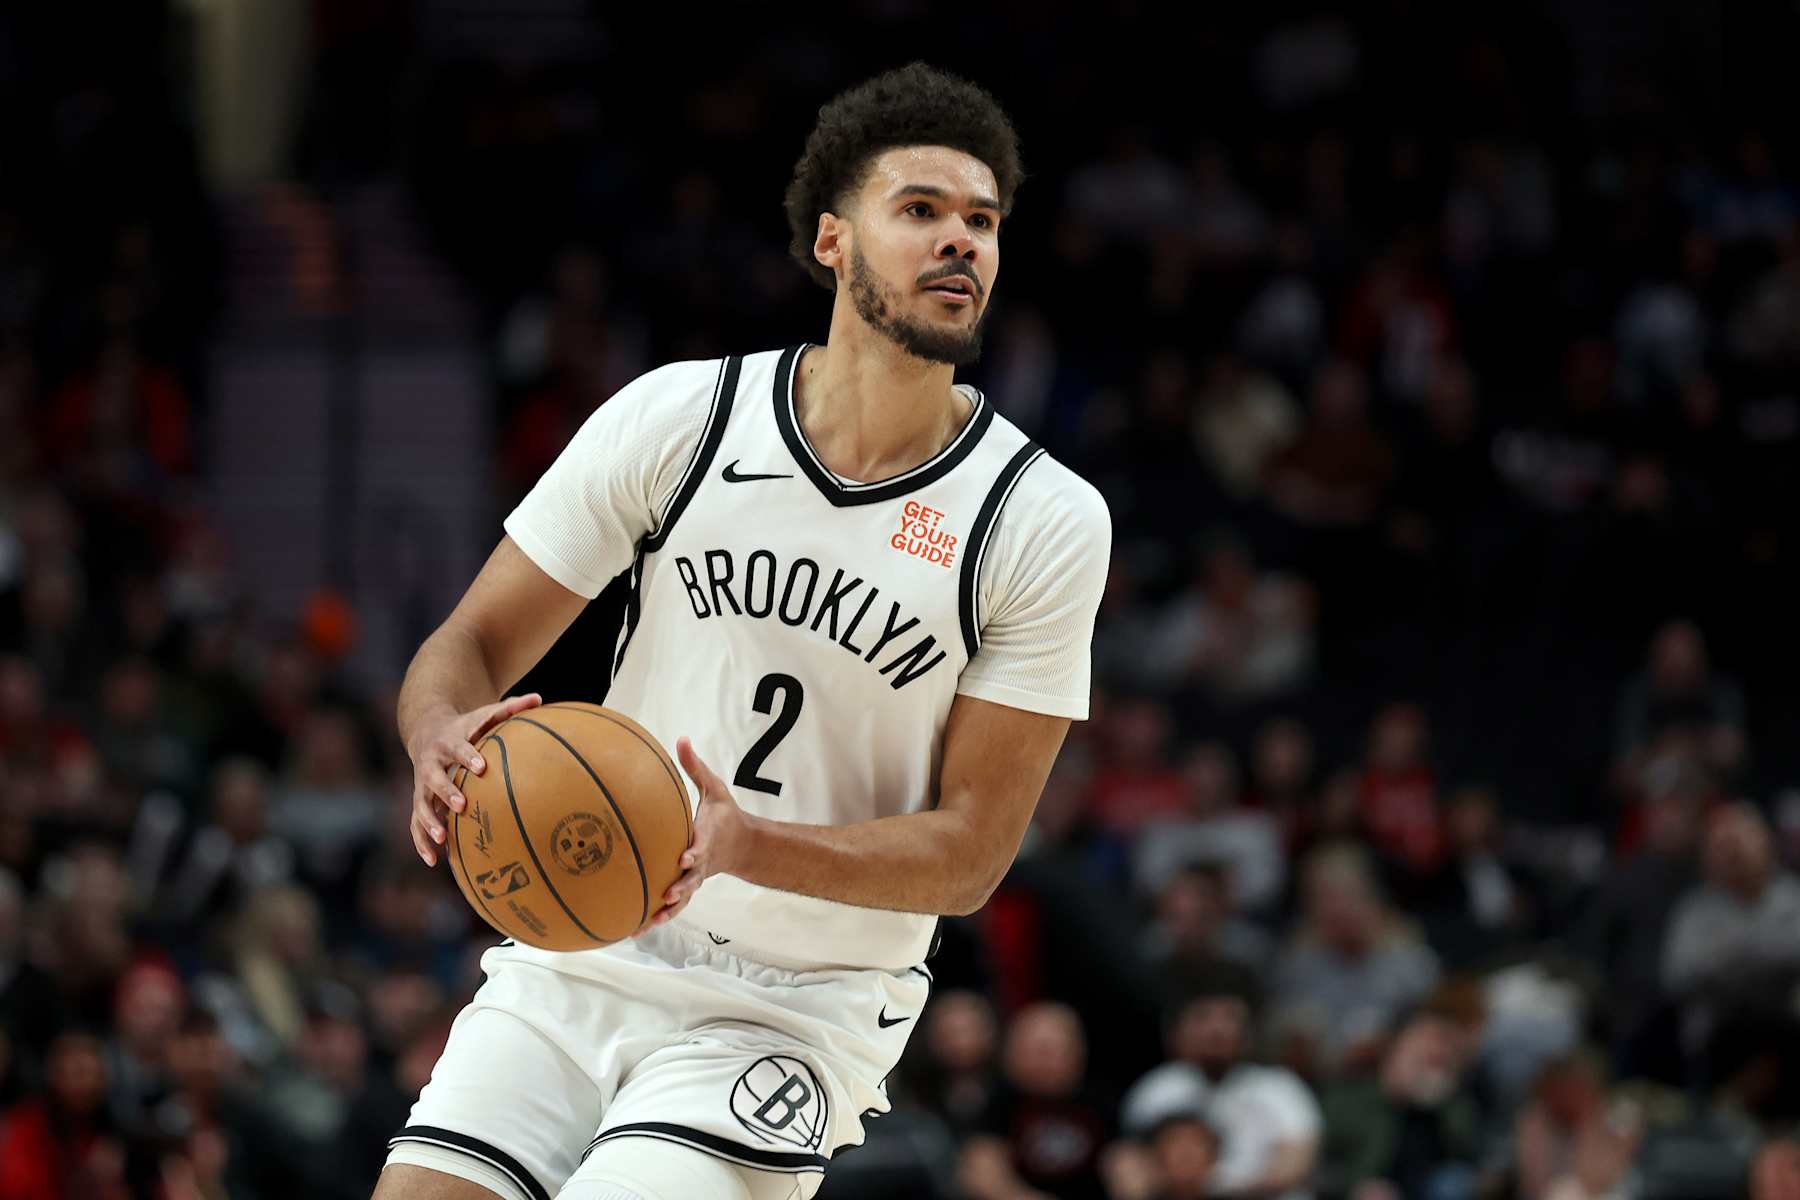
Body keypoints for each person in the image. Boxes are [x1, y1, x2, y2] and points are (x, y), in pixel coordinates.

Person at [378, 62, 1111, 1200]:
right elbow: (467, 645)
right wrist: (435, 729)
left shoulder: (1041, 518)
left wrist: (746, 846)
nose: (959, 241)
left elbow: (972, 854)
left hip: (799, 1004)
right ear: (832, 240)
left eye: (982, 221)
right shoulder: (681, 417)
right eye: (920, 210)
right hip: (591, 937)